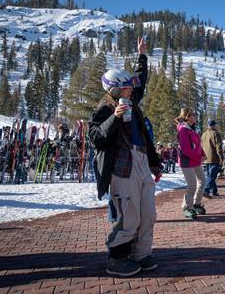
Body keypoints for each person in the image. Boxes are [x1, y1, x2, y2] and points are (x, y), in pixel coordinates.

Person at [89, 36, 160, 277]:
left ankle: (141, 253)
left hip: (141, 162)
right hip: (122, 166)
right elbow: (96, 138)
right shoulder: (105, 108)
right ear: (117, 89)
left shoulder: (132, 100)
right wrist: (115, 117)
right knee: (128, 215)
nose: (132, 88)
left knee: (148, 213)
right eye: (127, 86)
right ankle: (117, 257)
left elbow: (141, 81)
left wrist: (142, 55)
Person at [175, 108, 207, 219]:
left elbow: (197, 144)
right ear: (187, 117)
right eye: (193, 114)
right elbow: (186, 149)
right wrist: (197, 156)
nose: (195, 116)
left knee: (202, 181)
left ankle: (196, 204)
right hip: (187, 160)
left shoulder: (192, 128)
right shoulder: (183, 130)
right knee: (192, 185)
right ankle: (187, 208)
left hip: (195, 159)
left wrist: (202, 153)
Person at [201, 119, 224, 197]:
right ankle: (206, 190)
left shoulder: (203, 134)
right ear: (213, 125)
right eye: (215, 125)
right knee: (212, 176)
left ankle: (214, 191)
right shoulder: (216, 133)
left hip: (206, 158)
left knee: (210, 175)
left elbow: (201, 146)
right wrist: (221, 158)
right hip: (214, 158)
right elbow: (219, 147)